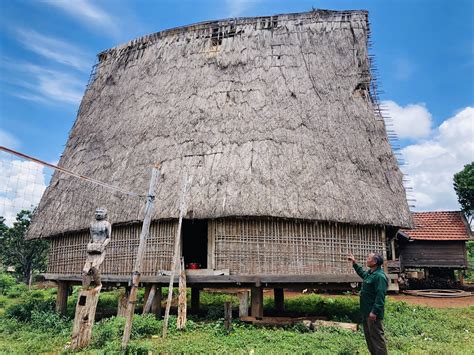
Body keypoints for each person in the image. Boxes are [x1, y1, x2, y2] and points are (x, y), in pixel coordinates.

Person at [348, 252, 388, 355]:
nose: (367, 259)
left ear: (374, 262)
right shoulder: (371, 273)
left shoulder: (380, 277)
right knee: (369, 337)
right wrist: (354, 263)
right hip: (366, 312)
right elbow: (362, 273)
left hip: (373, 314)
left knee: (377, 338)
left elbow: (380, 296)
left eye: (369, 258)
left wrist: (374, 312)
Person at [82, 207, 111, 289]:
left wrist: (103, 245)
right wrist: (89, 244)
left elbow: (108, 237)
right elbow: (91, 237)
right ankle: (85, 288)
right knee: (85, 271)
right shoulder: (92, 224)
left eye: (100, 212)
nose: (98, 214)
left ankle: (98, 284)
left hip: (100, 249)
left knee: (95, 267)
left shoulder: (107, 224)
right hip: (91, 249)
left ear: (105, 214)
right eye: (97, 212)